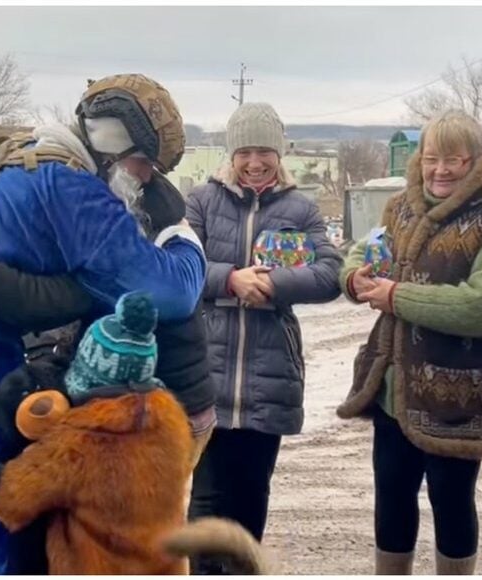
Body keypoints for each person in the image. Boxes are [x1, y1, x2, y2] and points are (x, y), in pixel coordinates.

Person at [0, 73, 206, 574]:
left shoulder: (22, 155)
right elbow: (171, 293)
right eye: (145, 165)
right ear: (119, 145)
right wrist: (179, 231)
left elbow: (27, 289)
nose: (145, 180)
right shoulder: (71, 188)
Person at [336, 110, 482, 575]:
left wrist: (397, 296)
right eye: (432, 158)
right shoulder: (402, 208)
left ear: (476, 162)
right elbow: (365, 250)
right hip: (394, 389)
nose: (441, 170)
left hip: (461, 395)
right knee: (391, 494)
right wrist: (355, 276)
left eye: (454, 159)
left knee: (451, 500)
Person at [183, 102, 342, 571]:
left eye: (265, 152)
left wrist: (274, 285)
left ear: (280, 153)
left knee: (251, 496)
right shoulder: (201, 202)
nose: (255, 163)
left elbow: (331, 273)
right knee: (207, 499)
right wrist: (230, 279)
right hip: (206, 373)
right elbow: (181, 265)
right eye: (245, 152)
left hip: (268, 377)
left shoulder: (301, 208)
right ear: (231, 155)